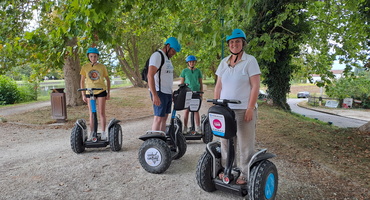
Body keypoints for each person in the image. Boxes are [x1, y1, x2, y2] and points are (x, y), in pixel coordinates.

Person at [214, 29, 261, 185]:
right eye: (232, 42)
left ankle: (245, 173)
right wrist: (216, 105)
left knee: (244, 143)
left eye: (238, 41)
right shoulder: (224, 62)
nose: (234, 44)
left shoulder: (250, 61)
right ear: (228, 45)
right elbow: (218, 86)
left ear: (243, 43)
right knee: (226, 141)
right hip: (226, 109)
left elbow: (255, 86)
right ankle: (230, 169)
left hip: (243, 110)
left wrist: (250, 108)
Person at [147, 37, 181, 131]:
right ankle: (155, 141)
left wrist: (171, 92)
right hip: (159, 92)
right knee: (158, 118)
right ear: (168, 46)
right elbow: (150, 76)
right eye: (173, 51)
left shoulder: (167, 58)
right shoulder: (157, 56)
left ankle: (162, 140)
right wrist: (154, 95)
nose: (173, 54)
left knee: (164, 118)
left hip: (167, 92)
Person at [80, 47, 111, 140]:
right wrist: (83, 94)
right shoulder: (85, 67)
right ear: (88, 57)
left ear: (97, 57)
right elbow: (81, 81)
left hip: (101, 91)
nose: (93, 58)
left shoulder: (102, 67)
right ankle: (92, 133)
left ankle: (103, 132)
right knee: (92, 113)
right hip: (90, 92)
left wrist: (108, 92)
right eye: (91, 56)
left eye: (95, 56)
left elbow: (108, 80)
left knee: (101, 112)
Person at [179, 55, 203, 133]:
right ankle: (185, 127)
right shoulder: (184, 71)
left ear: (195, 62)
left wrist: (201, 92)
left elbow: (200, 83)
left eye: (193, 62)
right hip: (187, 93)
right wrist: (181, 93)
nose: (192, 63)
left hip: (196, 93)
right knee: (186, 110)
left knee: (196, 110)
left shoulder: (198, 71)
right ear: (188, 63)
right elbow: (182, 83)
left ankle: (198, 127)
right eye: (190, 62)